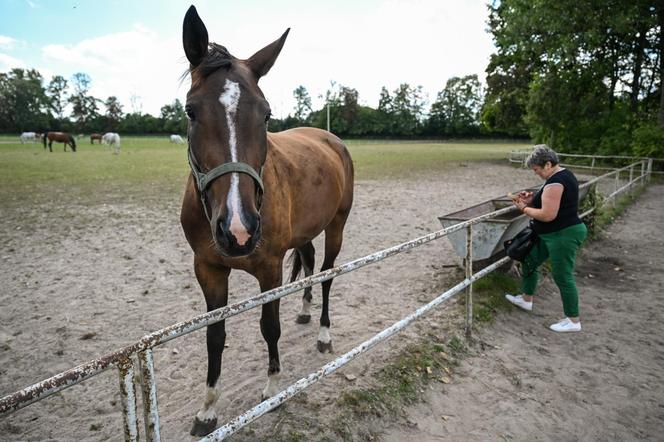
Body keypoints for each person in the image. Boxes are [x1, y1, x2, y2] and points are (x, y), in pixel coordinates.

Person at [505, 144, 588, 332]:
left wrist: (524, 208)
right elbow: (551, 200)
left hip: (562, 235)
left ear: (548, 164)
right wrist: (531, 198)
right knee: (530, 260)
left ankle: (573, 320)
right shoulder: (561, 176)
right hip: (551, 233)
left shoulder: (555, 182)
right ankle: (527, 299)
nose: (537, 174)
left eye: (537, 170)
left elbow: (547, 214)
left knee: (562, 275)